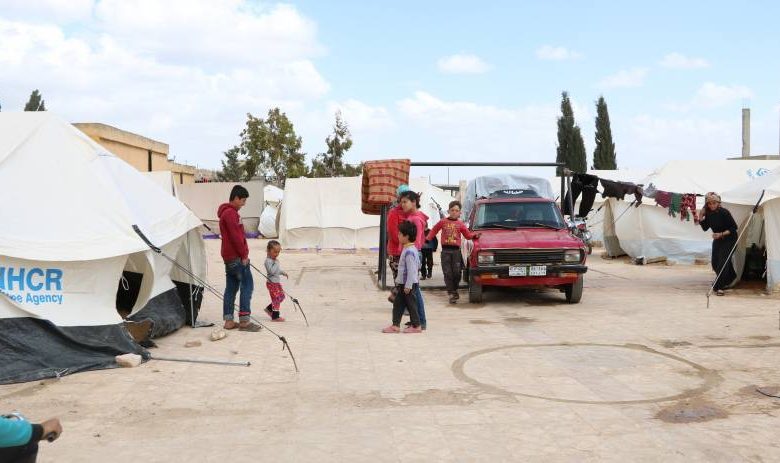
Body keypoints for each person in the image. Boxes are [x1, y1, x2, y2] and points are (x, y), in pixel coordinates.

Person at [218, 185, 261, 331]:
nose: (244, 204)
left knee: (231, 288)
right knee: (247, 285)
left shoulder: (226, 213)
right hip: (236, 257)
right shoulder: (231, 214)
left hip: (229, 258)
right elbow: (237, 237)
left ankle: (229, 321)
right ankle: (244, 321)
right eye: (242, 200)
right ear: (235, 198)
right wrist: (244, 255)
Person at [427, 200, 480, 304]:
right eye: (452, 210)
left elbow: (467, 235)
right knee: (447, 273)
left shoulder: (460, 224)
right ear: (448, 211)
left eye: (457, 210)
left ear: (460, 212)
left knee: (456, 273)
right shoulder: (443, 222)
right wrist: (427, 238)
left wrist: (475, 235)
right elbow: (434, 230)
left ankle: (454, 290)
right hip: (445, 252)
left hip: (456, 252)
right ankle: (451, 293)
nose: (454, 212)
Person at [382, 221, 423, 333]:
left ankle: (416, 325)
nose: (398, 235)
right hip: (403, 284)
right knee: (398, 304)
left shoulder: (409, 251)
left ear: (407, 236)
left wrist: (408, 285)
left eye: (400, 234)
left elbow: (412, 271)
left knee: (411, 306)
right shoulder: (409, 248)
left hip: (407, 285)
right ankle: (395, 325)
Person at [398, 190, 429, 329]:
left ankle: (420, 321)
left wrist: (407, 254)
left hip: (413, 254)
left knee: (414, 291)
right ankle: (416, 319)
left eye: (405, 201)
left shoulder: (415, 219)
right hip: (412, 253)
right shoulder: (414, 216)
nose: (402, 204)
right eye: (401, 202)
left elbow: (414, 242)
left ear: (414, 202)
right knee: (413, 291)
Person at [699, 192, 738, 296]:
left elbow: (734, 228)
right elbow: (704, 228)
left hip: (730, 239)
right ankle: (730, 277)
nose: (712, 205)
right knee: (715, 262)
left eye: (714, 203)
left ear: (718, 203)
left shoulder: (724, 212)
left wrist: (721, 234)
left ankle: (719, 287)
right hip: (718, 239)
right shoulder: (708, 213)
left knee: (723, 262)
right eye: (709, 203)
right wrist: (701, 216)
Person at [264, 240, 288, 322]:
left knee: (281, 296)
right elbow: (271, 271)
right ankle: (275, 316)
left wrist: (282, 272)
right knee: (276, 299)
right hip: (271, 283)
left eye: (278, 252)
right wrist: (276, 263)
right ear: (268, 251)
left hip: (276, 283)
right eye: (274, 252)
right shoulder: (268, 261)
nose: (276, 254)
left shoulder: (274, 261)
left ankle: (269, 308)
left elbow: (277, 270)